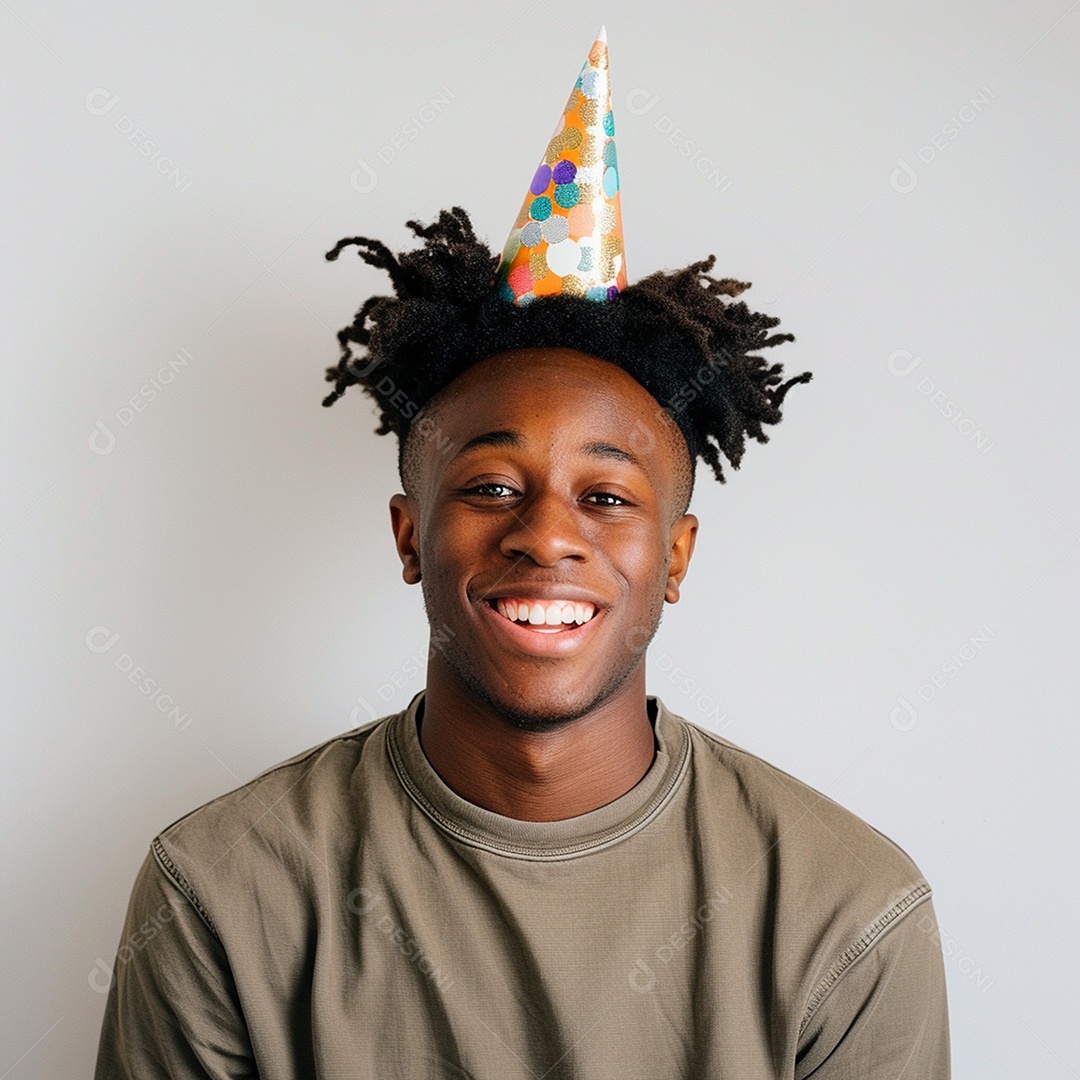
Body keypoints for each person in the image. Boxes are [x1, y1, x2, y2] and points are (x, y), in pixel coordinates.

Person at [95, 28, 949, 1079]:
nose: (546, 536)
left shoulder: (848, 913)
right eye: (492, 487)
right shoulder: (223, 891)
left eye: (605, 496)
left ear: (676, 558)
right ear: (411, 536)